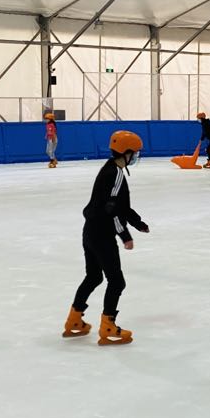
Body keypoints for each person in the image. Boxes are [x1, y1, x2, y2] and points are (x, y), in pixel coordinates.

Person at [65, 131, 148, 346]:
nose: (136, 157)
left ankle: (74, 320)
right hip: (102, 235)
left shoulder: (109, 168)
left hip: (90, 232)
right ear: (126, 153)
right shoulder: (116, 175)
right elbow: (112, 210)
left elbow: (121, 206)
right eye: (135, 153)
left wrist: (137, 222)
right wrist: (125, 235)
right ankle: (108, 326)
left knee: (94, 277)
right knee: (117, 282)